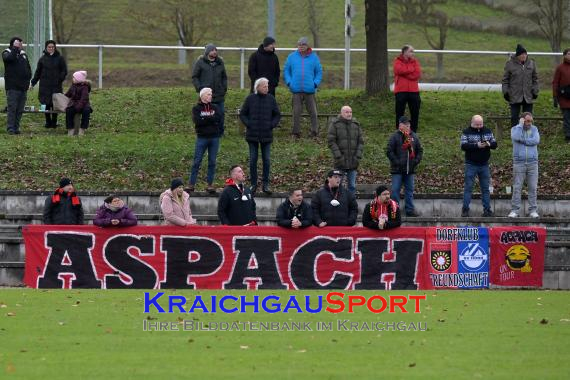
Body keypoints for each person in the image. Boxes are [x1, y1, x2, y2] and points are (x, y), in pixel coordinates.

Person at [239, 77, 281, 194]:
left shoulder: (271, 99)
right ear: (257, 87)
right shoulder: (250, 99)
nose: (267, 88)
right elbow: (243, 114)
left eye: (267, 86)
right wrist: (249, 124)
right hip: (252, 135)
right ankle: (253, 184)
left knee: (266, 160)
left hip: (266, 135)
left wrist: (271, 125)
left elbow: (277, 115)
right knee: (253, 160)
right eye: (264, 86)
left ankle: (266, 184)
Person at [283, 37, 322, 138]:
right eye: (299, 45)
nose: (301, 46)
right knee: (296, 112)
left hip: (310, 90)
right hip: (295, 89)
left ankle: (314, 131)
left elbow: (319, 72)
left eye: (303, 45)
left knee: (313, 112)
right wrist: (289, 82)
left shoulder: (314, 57)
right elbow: (286, 70)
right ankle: (296, 132)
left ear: (307, 46)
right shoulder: (291, 57)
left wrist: (315, 83)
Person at [460, 115, 498, 217]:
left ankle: (487, 210)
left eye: (481, 124)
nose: (479, 126)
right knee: (468, 187)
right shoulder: (466, 132)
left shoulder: (487, 131)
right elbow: (463, 146)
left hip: (484, 164)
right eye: (477, 124)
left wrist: (489, 144)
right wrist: (476, 145)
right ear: (472, 123)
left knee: (485, 188)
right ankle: (465, 209)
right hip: (471, 164)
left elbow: (495, 144)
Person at [386, 116, 423, 217]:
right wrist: (396, 162)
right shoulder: (394, 136)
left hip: (410, 170)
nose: (408, 126)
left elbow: (420, 150)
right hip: (397, 170)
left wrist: (415, 161)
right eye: (405, 124)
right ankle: (394, 211)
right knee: (395, 191)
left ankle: (410, 210)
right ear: (400, 125)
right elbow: (389, 151)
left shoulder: (414, 136)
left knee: (410, 191)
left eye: (409, 124)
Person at [189, 87, 222, 194]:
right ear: (202, 96)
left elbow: (218, 118)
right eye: (208, 94)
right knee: (197, 161)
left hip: (214, 138)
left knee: (212, 162)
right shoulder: (196, 108)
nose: (210, 96)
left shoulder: (215, 107)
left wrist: (206, 119)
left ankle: (210, 184)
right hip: (202, 138)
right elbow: (197, 121)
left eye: (211, 94)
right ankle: (191, 184)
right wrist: (210, 119)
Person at [508, 112, 540, 218]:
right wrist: (520, 126)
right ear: (522, 120)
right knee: (517, 187)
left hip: (533, 163)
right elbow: (516, 137)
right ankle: (515, 210)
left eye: (531, 121)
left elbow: (536, 140)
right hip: (519, 163)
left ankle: (533, 210)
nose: (529, 123)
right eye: (527, 121)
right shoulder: (515, 129)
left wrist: (523, 140)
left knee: (533, 187)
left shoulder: (534, 129)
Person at [327, 105, 364, 195]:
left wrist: (357, 156)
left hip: (353, 161)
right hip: (340, 162)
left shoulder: (356, 125)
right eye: (347, 112)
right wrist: (338, 156)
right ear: (341, 113)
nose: (349, 114)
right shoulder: (335, 124)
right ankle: (338, 205)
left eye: (350, 112)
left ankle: (351, 206)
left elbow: (361, 142)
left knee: (352, 186)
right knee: (338, 185)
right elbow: (331, 141)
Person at [192, 44, 228, 136]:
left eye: (216, 50)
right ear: (207, 52)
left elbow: (224, 77)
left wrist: (224, 88)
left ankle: (220, 132)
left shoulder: (220, 63)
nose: (215, 52)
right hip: (206, 95)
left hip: (219, 94)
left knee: (221, 113)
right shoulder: (200, 62)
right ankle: (207, 132)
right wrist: (200, 89)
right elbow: (195, 77)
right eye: (212, 50)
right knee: (207, 114)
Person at [30, 40, 67, 128]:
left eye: (52, 47)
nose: (51, 48)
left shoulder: (60, 58)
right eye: (49, 47)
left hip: (56, 85)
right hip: (44, 85)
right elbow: (37, 72)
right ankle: (47, 121)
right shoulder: (42, 59)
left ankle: (54, 122)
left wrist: (60, 79)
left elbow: (64, 71)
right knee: (45, 103)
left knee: (55, 103)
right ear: (46, 48)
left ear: (55, 48)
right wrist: (33, 83)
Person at [502, 44, 539, 128]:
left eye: (525, 54)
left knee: (528, 119)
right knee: (514, 118)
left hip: (528, 96)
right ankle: (515, 137)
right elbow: (505, 80)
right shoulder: (510, 64)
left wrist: (535, 91)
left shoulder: (531, 63)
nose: (524, 56)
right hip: (514, 96)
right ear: (517, 55)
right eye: (522, 54)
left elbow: (535, 79)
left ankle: (527, 136)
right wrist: (505, 92)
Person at [2, 36, 32, 135]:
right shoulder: (7, 53)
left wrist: (28, 81)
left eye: (21, 44)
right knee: (12, 108)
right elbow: (9, 59)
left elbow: (28, 68)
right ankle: (10, 128)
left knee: (20, 109)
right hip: (12, 87)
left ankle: (16, 127)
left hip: (23, 87)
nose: (21, 45)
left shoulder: (23, 54)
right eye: (19, 43)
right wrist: (14, 49)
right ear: (14, 44)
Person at [393, 45, 422, 132]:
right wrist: (410, 69)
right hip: (401, 91)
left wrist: (405, 72)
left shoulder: (415, 62)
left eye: (413, 51)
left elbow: (417, 74)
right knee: (399, 111)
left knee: (415, 111)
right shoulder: (397, 61)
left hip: (414, 91)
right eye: (411, 51)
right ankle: (400, 129)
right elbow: (398, 70)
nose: (412, 53)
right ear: (405, 52)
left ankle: (413, 130)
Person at [65, 70, 92, 136]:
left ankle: (82, 129)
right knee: (69, 111)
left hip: (84, 105)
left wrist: (79, 107)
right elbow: (68, 94)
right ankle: (70, 129)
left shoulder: (84, 87)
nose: (73, 79)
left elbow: (84, 99)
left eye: (74, 78)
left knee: (86, 111)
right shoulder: (73, 86)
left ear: (78, 79)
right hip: (74, 104)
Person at [552, 47, 570, 142]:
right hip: (564, 97)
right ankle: (568, 136)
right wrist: (555, 96)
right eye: (568, 54)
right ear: (564, 55)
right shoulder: (560, 68)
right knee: (567, 117)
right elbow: (555, 82)